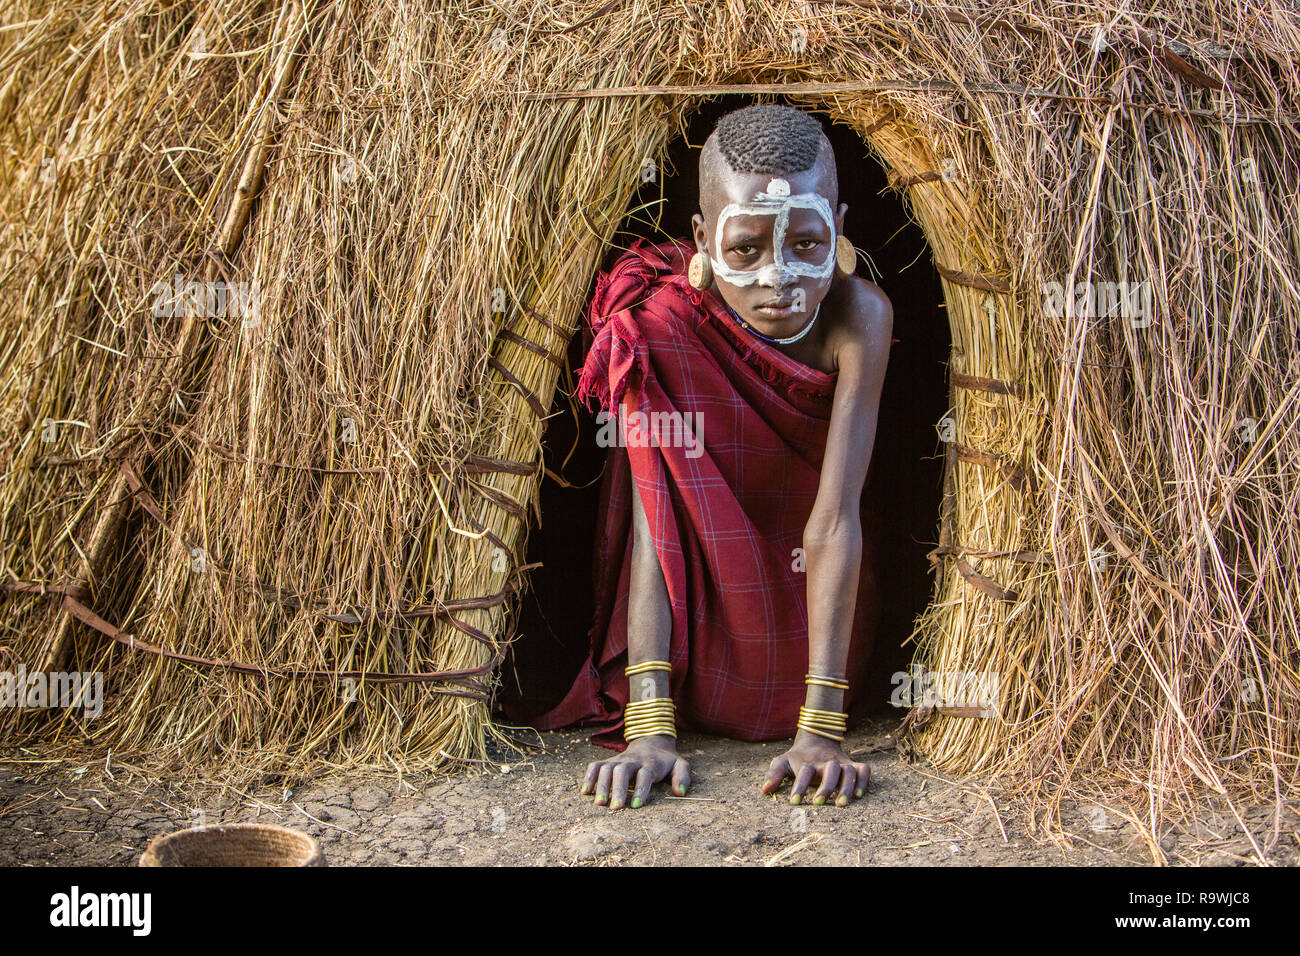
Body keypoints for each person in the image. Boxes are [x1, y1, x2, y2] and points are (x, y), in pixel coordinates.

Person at [534, 104, 893, 810]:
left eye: (808, 244)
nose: (778, 279)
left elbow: (834, 518)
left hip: (822, 631)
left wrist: (822, 728)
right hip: (693, 644)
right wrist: (649, 728)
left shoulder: (861, 316)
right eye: (747, 248)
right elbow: (655, 533)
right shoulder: (659, 329)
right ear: (701, 237)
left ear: (841, 231)